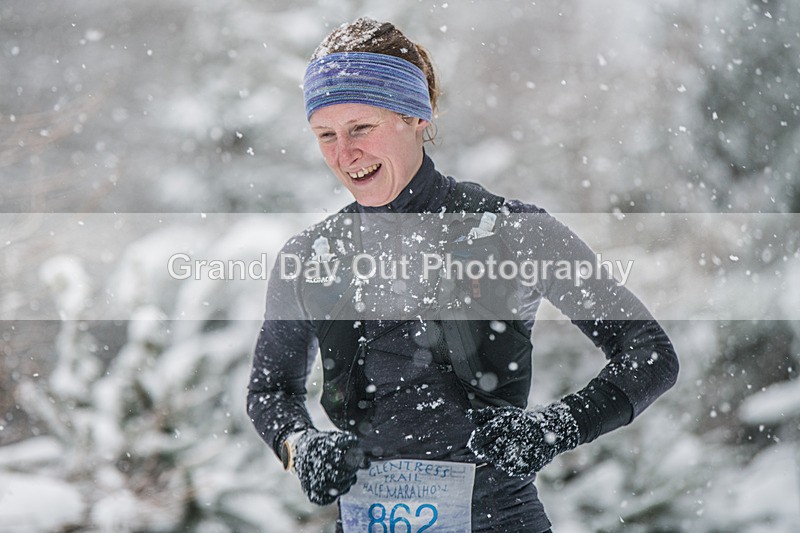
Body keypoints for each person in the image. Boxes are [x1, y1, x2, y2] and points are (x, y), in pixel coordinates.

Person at [248, 17, 678, 533]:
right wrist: (301, 446)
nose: (345, 155)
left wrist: (552, 431)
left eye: (361, 128)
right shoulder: (311, 257)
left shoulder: (512, 232)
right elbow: (271, 391)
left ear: (416, 116)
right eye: (326, 135)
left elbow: (649, 353)